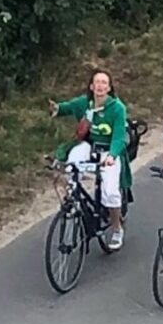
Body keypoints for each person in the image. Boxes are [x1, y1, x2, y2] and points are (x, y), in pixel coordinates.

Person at [51, 68, 130, 248]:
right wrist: (57, 108)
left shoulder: (117, 108)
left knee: (110, 192)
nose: (100, 86)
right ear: (91, 86)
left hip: (109, 150)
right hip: (90, 146)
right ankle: (72, 200)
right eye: (97, 82)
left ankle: (117, 228)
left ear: (109, 88)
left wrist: (112, 156)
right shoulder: (85, 103)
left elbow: (119, 136)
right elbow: (68, 107)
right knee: (71, 164)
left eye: (104, 82)